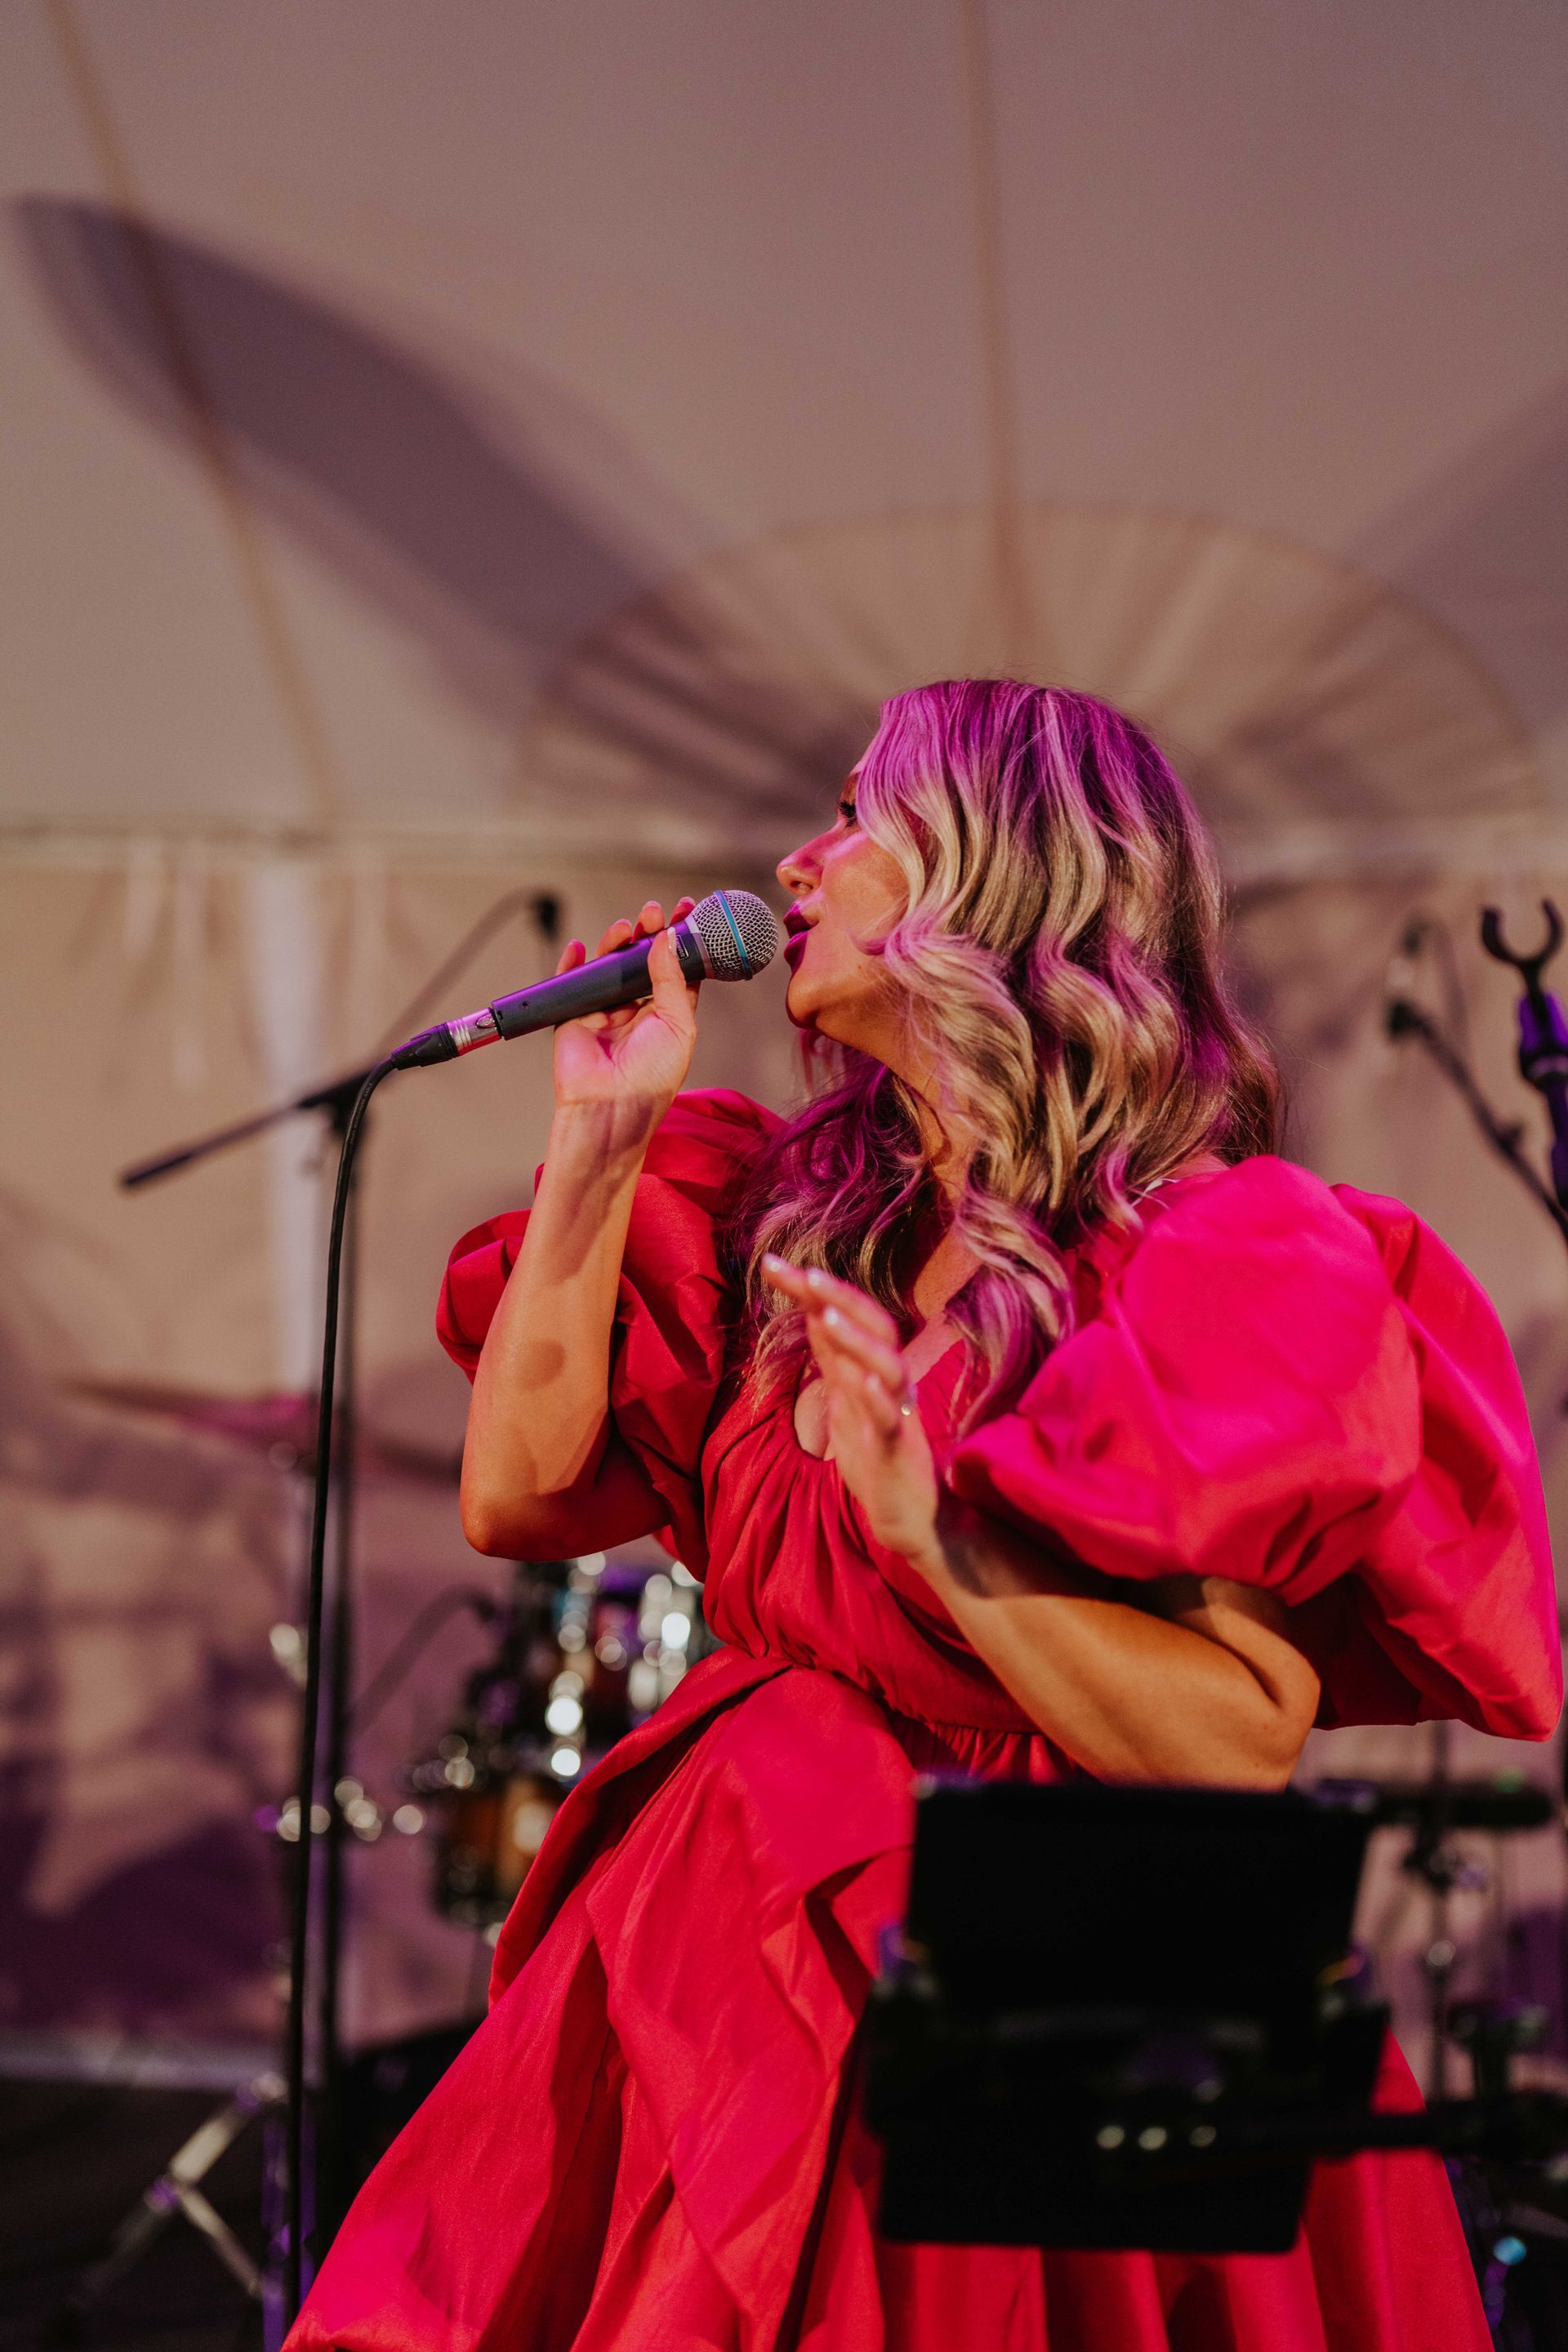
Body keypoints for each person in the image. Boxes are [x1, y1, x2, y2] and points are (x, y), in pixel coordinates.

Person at [288, 679, 1560, 2351]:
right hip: (729, 1946)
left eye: (853, 820)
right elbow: (514, 1498)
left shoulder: (1198, 1256)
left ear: (994, 876)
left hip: (1029, 1982)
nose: (796, 866)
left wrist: (936, 1542)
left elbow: (1243, 1737)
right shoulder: (781, 1212)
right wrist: (601, 1136)